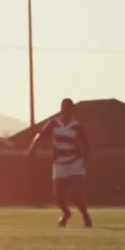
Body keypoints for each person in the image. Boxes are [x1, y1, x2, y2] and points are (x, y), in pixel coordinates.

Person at [27, 98, 92, 228]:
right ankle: (66, 213)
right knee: (58, 197)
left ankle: (85, 215)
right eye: (64, 107)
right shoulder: (53, 123)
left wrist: (85, 161)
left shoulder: (77, 126)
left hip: (75, 162)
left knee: (76, 196)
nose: (66, 110)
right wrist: (32, 149)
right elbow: (40, 135)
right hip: (59, 163)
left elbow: (86, 145)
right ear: (61, 109)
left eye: (69, 108)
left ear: (72, 110)